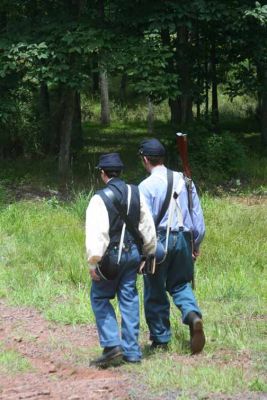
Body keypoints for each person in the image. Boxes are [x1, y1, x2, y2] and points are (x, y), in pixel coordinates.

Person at [86, 152, 156, 367]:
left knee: (99, 298)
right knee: (129, 299)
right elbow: (147, 226)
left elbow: (97, 233)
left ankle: (111, 345)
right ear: (120, 172)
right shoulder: (136, 193)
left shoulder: (100, 198)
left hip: (110, 258)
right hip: (133, 254)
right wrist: (149, 252)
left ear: (103, 174)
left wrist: (93, 262)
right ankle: (133, 352)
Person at [138, 138, 206, 354]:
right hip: (185, 238)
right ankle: (192, 315)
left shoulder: (145, 186)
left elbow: (144, 222)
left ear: (145, 160)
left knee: (155, 289)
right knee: (181, 284)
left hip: (159, 240)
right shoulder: (185, 181)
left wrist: (144, 249)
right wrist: (196, 242)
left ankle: (160, 340)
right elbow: (197, 217)